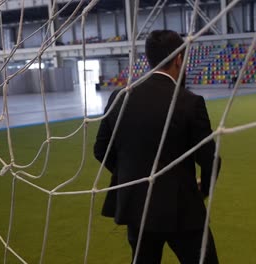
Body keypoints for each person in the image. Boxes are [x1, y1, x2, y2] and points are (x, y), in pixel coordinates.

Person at [94, 30, 221, 264]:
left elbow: (100, 149)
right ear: (179, 59)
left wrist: (135, 178)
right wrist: (201, 190)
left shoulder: (120, 97)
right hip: (181, 210)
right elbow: (210, 159)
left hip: (136, 207)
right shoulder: (189, 102)